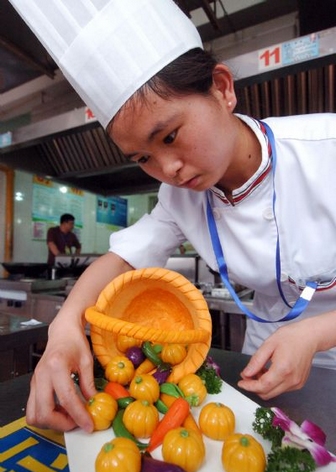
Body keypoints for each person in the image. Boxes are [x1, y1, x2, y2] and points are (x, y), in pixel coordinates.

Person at [10, 0, 336, 433]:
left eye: (170, 135)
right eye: (144, 156)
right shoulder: (178, 197)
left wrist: (315, 335)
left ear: (222, 88)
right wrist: (65, 328)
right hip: (269, 348)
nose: (168, 169)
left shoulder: (326, 150)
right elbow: (123, 260)